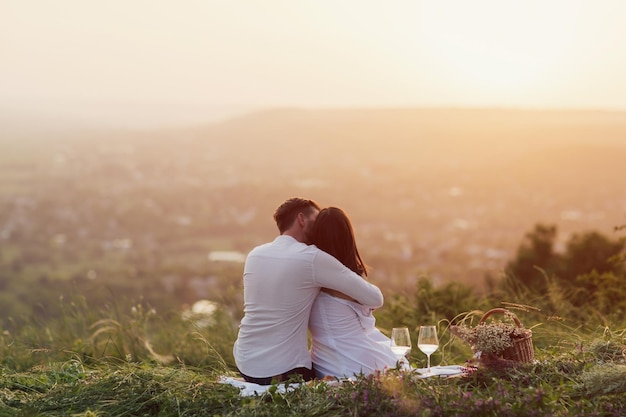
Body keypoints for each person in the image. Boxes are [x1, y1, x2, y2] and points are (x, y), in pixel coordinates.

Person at [232, 198, 384, 385]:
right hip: (283, 371)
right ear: (302, 219)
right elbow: (375, 298)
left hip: (244, 361)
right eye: (316, 219)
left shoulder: (255, 254)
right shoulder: (311, 257)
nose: (320, 226)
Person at [308, 207, 398, 378]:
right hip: (357, 360)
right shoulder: (345, 281)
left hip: (323, 363)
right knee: (398, 362)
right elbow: (376, 299)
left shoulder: (308, 275)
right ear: (347, 238)